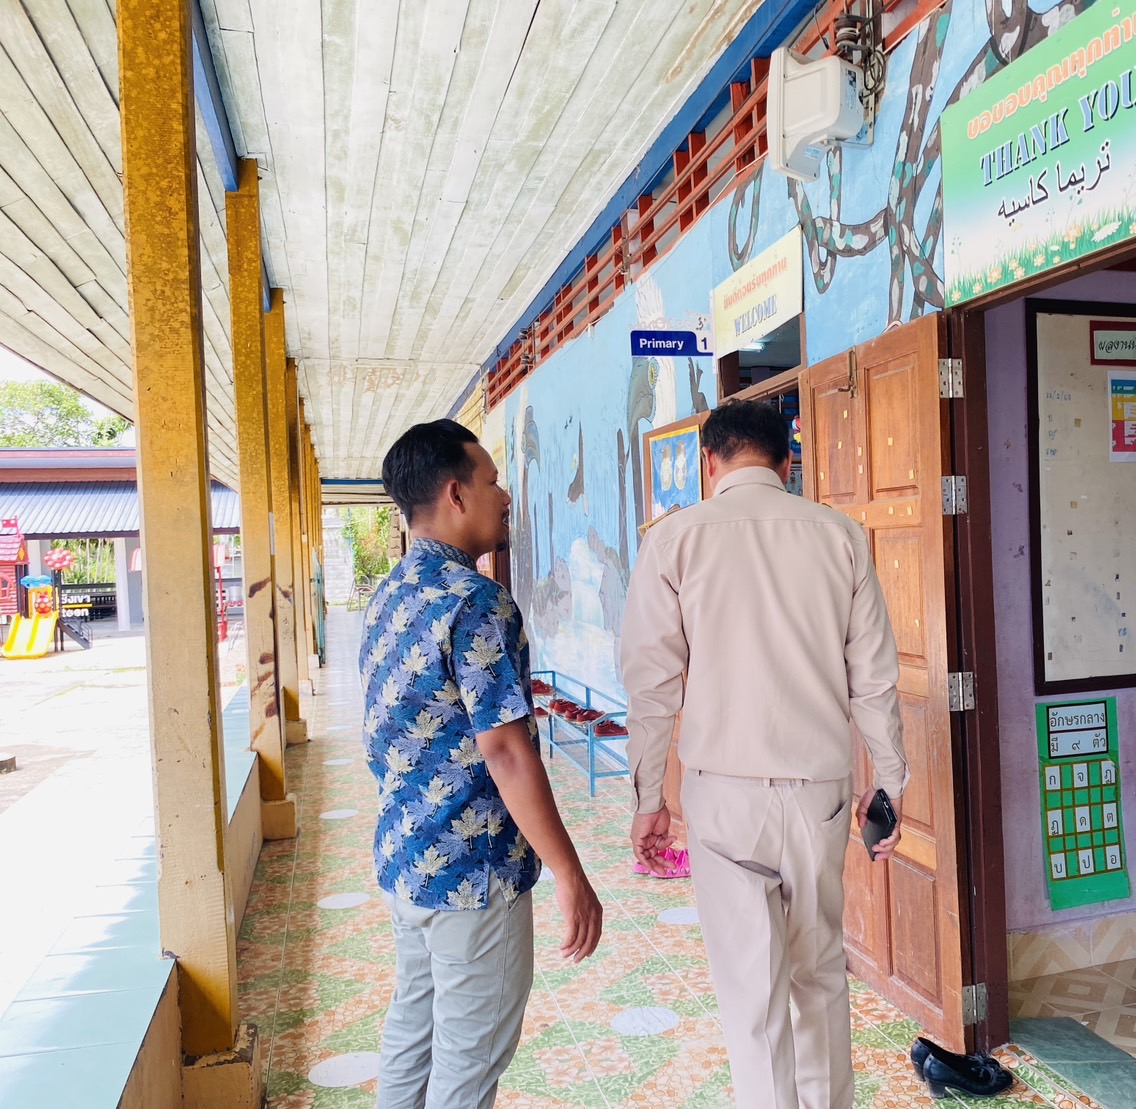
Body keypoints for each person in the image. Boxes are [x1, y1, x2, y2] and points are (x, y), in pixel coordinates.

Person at [621, 399, 907, 1109]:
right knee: (820, 973)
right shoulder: (839, 536)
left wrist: (649, 800)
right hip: (819, 793)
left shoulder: (673, 541)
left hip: (723, 797)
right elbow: (874, 678)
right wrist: (890, 783)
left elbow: (651, 688)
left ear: (708, 462)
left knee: (752, 996)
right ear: (786, 460)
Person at [362, 419, 602, 1108]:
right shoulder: (475, 601)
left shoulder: (389, 596)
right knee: (468, 1067)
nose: (505, 496)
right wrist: (569, 872)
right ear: (455, 493)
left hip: (408, 861)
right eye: (492, 481)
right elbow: (504, 748)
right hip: (474, 876)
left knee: (412, 1037)